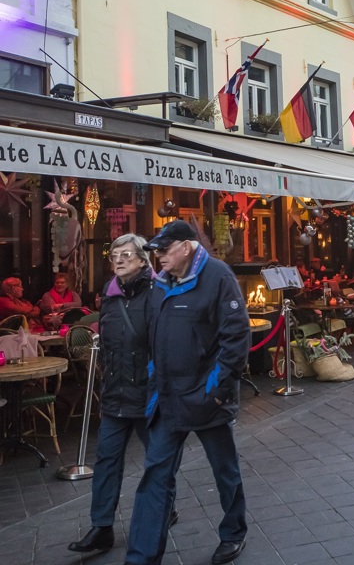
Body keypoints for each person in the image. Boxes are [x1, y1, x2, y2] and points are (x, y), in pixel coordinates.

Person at [125, 221, 249, 565]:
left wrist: (216, 392)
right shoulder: (160, 284)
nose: (159, 256)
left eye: (164, 249)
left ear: (187, 246)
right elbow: (154, 336)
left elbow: (236, 340)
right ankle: (141, 557)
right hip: (167, 399)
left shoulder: (218, 276)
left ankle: (233, 532)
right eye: (156, 251)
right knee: (155, 477)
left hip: (206, 398)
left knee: (225, 472)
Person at [68, 234, 178, 555]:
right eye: (114, 255)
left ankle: (163, 510)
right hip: (115, 394)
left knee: (158, 463)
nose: (117, 260)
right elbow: (106, 339)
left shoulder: (159, 293)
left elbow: (168, 344)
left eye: (126, 254)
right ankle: (102, 527)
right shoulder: (109, 293)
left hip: (149, 396)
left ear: (143, 260)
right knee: (106, 461)